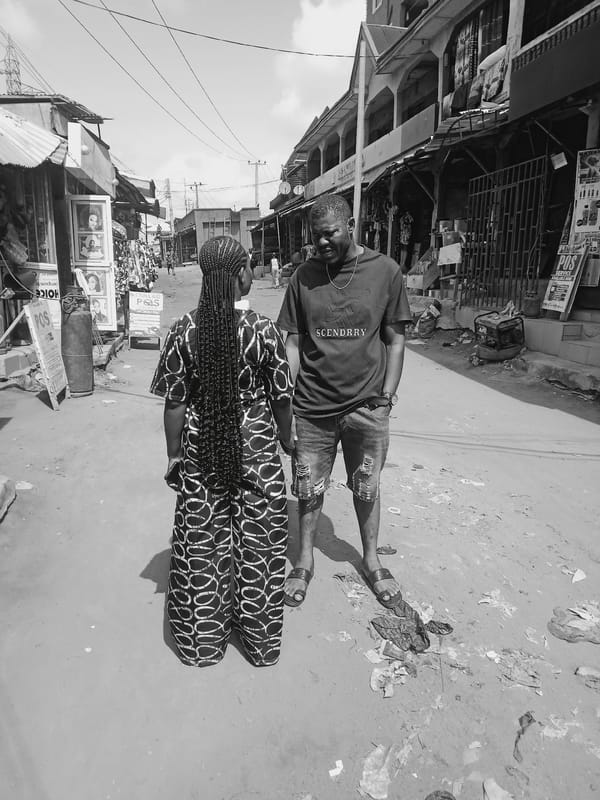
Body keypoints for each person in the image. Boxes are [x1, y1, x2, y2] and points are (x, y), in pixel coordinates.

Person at [150, 236, 294, 668]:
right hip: (257, 449)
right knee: (261, 545)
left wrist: (174, 454)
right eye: (249, 267)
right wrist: (287, 441)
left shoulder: (183, 329)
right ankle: (260, 644)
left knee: (202, 545)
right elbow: (282, 399)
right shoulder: (264, 330)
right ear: (240, 275)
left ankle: (202, 645)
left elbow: (175, 403)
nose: (252, 273)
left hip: (201, 449)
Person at [277, 194, 412, 608]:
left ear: (349, 225)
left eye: (330, 234)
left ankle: (371, 560)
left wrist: (386, 397)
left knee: (366, 487)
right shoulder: (303, 277)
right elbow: (294, 342)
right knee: (307, 487)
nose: (322, 243)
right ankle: (303, 561)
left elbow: (396, 339)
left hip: (367, 408)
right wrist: (285, 398)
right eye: (316, 237)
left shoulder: (385, 271)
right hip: (312, 409)